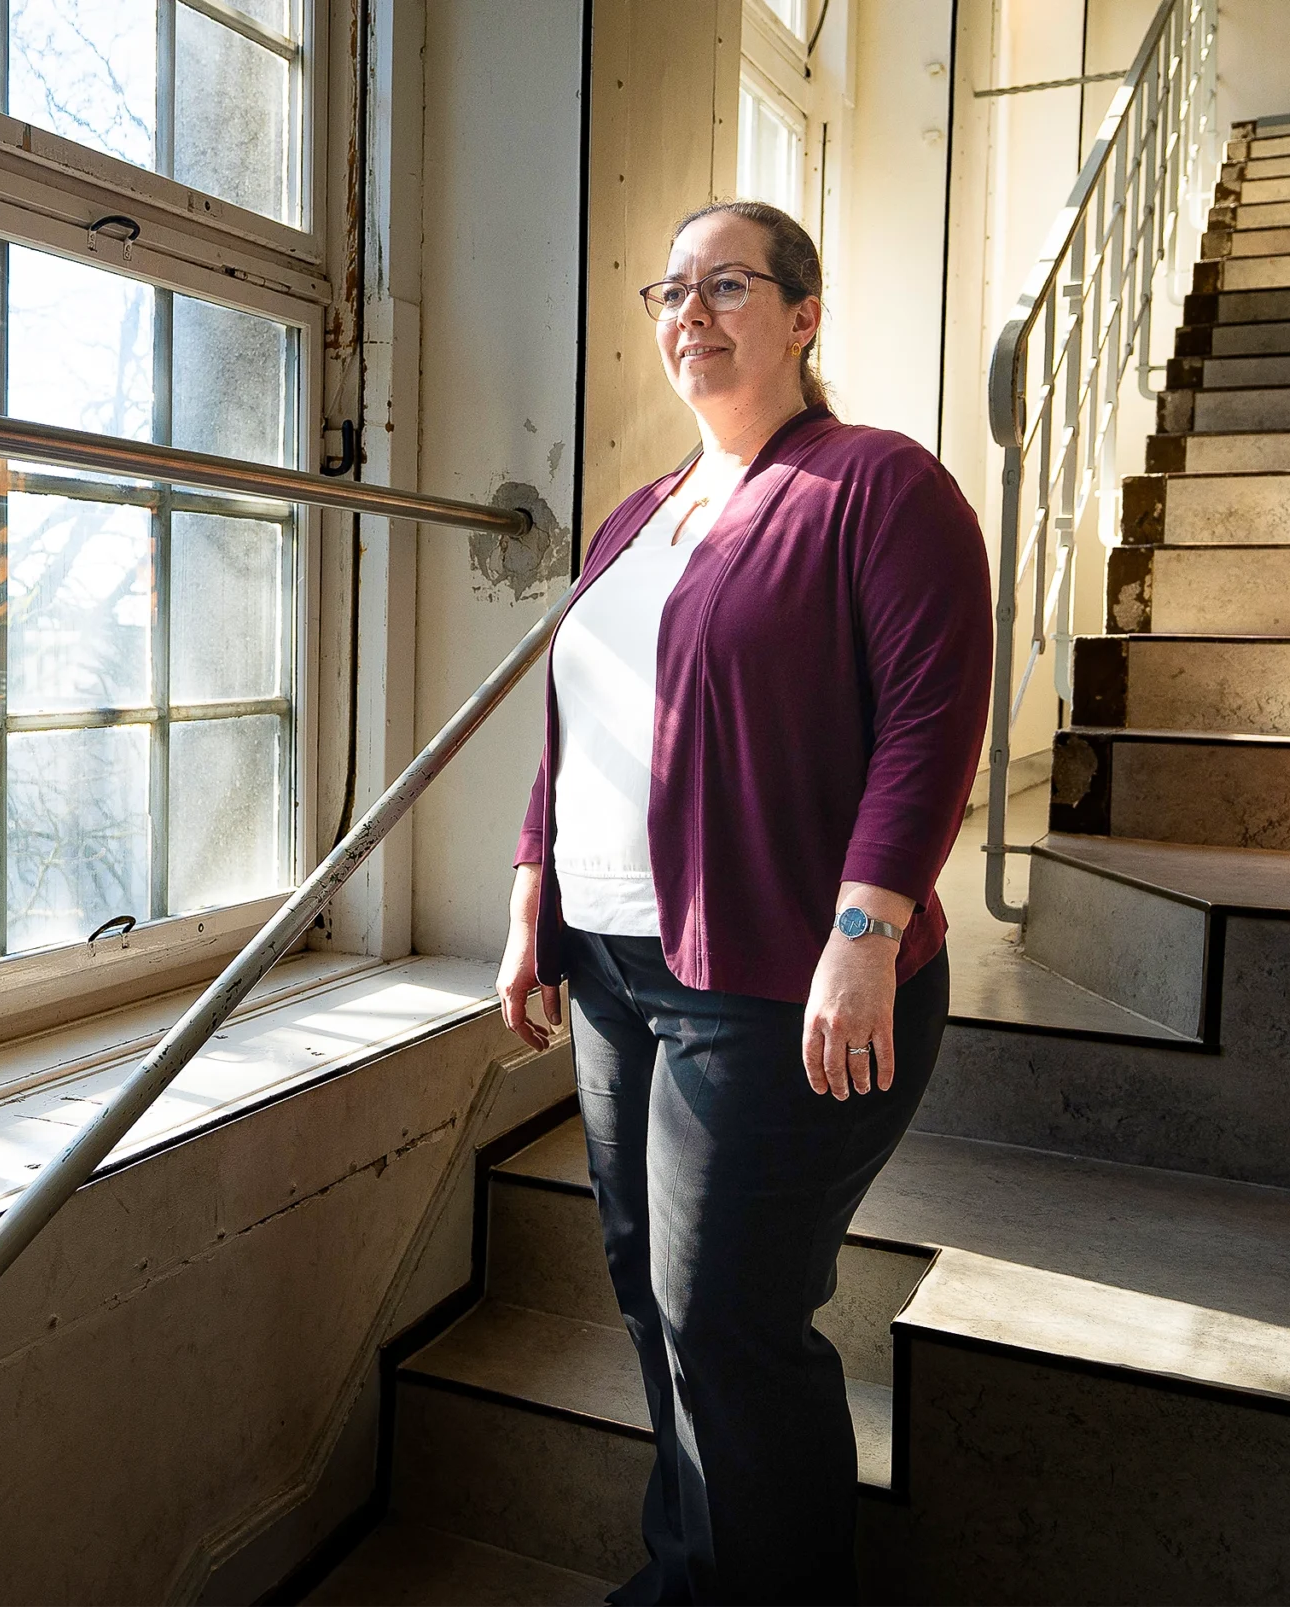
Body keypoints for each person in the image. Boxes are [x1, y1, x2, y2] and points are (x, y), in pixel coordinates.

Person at [496, 199, 993, 1605]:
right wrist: (532, 883)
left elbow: (930, 719)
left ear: (803, 316)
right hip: (612, 962)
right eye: (672, 290)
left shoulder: (878, 486)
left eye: (729, 285)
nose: (691, 314)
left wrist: (868, 926)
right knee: (654, 1297)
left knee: (729, 1313)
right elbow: (573, 722)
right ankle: (693, 1572)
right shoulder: (637, 516)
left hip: (776, 974)